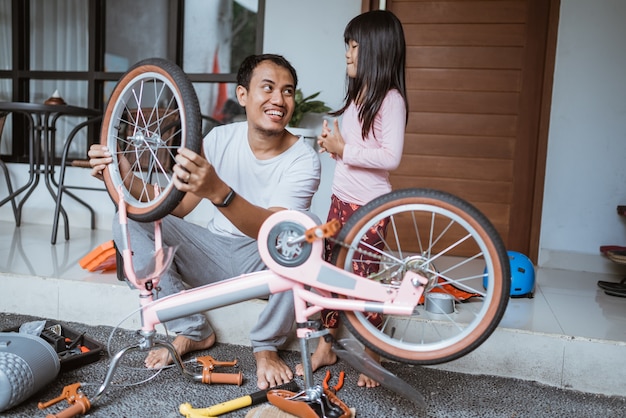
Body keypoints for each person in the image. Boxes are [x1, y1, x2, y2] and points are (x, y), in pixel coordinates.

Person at [88, 54, 321, 390]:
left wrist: (220, 193)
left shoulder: (304, 158)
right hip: (211, 253)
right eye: (267, 88)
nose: (278, 100)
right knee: (132, 219)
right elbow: (177, 207)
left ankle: (267, 344)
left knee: (306, 230)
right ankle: (192, 328)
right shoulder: (220, 139)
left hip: (263, 261)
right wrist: (120, 174)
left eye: (287, 91)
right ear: (242, 95)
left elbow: (276, 232)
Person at [295, 10, 408, 388]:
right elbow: (357, 150)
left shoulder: (390, 100)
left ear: (377, 50)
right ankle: (327, 344)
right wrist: (335, 148)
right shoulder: (359, 95)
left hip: (370, 207)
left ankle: (372, 351)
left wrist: (346, 148)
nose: (347, 54)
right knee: (329, 272)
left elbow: (390, 158)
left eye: (354, 46)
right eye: (347, 46)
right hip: (341, 199)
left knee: (364, 279)